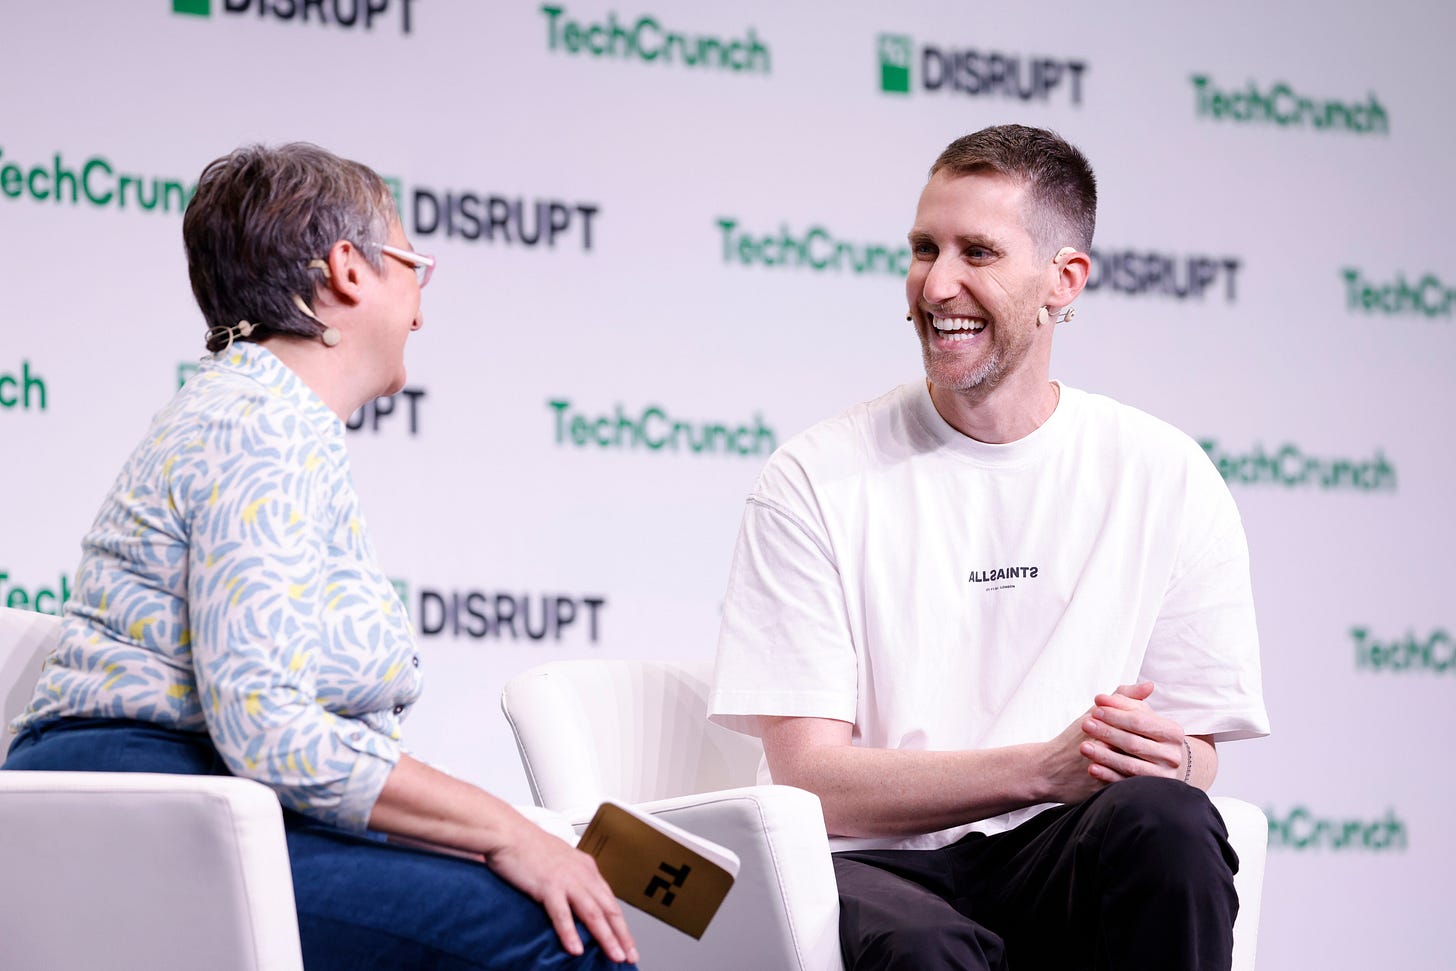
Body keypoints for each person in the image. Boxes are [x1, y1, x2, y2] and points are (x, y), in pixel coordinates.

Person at [3, 143, 638, 971]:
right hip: (150, 817)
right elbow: (271, 731)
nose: (420, 311)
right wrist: (508, 830)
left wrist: (511, 831)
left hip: (202, 806)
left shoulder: (262, 413)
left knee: (569, 894)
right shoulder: (262, 421)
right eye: (415, 265)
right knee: (563, 937)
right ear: (348, 269)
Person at [708, 124, 1269, 971]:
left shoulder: (1165, 472)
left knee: (1169, 823)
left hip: (1060, 854)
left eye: (977, 252)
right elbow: (809, 781)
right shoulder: (814, 476)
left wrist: (1172, 758)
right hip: (871, 864)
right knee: (928, 946)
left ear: (1063, 280)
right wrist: (1043, 767)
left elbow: (1195, 759)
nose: (936, 285)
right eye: (923, 248)